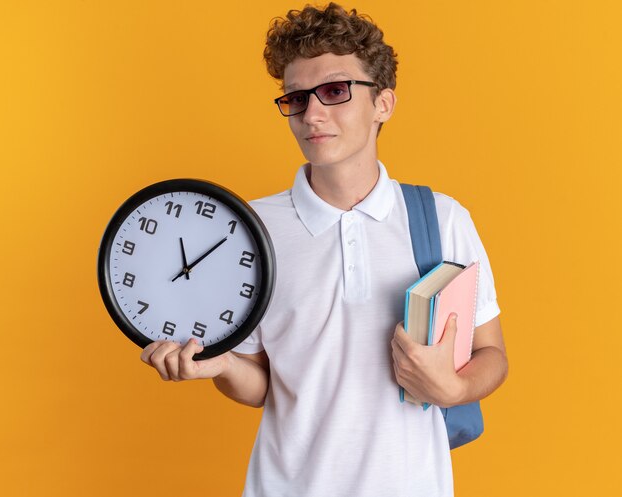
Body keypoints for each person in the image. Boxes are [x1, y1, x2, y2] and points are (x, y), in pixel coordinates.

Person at [141, 3, 508, 496]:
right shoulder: (248, 230)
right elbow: (263, 385)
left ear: (383, 104)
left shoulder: (442, 218)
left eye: (335, 91)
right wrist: (223, 365)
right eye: (296, 97)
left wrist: (455, 389)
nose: (312, 114)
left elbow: (491, 354)